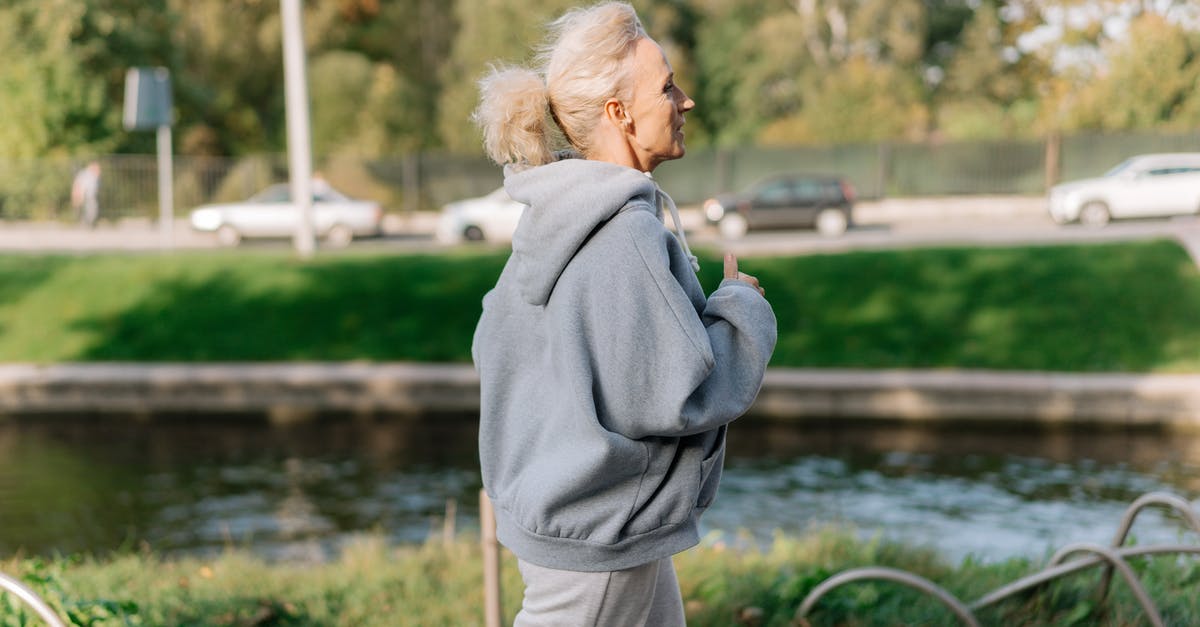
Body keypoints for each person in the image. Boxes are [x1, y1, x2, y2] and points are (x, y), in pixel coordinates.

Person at [470, 3, 777, 625]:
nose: (684, 100)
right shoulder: (622, 234)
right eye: (666, 86)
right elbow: (667, 397)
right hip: (599, 539)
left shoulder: (557, 215)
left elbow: (494, 348)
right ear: (620, 113)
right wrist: (743, 310)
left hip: (587, 520)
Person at [71, 161, 101, 228]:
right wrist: (77, 194)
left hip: (90, 195)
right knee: (89, 209)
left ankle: (88, 222)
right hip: (86, 194)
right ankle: (87, 223)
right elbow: (78, 184)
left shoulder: (93, 174)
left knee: (90, 209)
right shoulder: (85, 174)